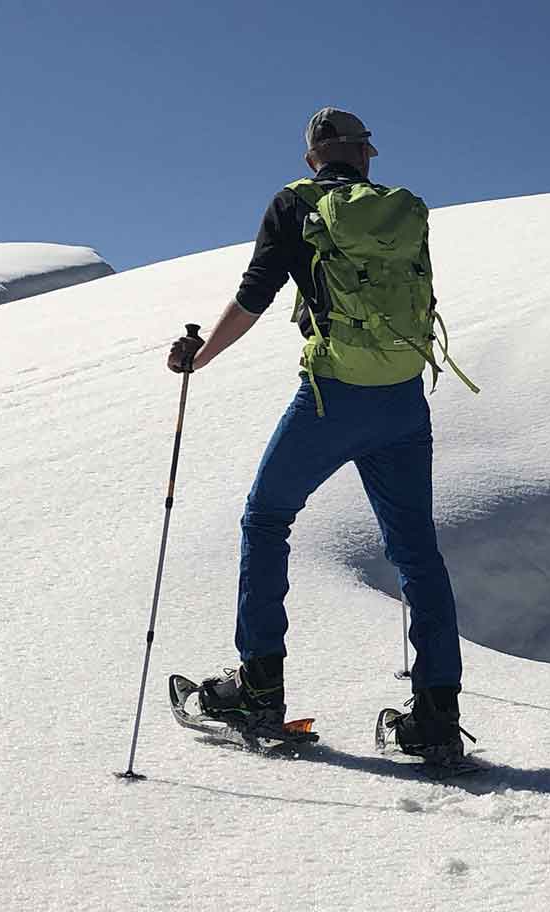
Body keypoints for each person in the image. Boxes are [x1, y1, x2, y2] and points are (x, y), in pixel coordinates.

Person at [164, 106, 469, 764]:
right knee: (416, 552)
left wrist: (200, 356)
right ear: (365, 154)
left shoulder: (294, 204)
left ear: (312, 158)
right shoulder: (400, 211)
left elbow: (255, 295)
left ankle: (259, 687)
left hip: (332, 397)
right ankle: (437, 717)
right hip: (403, 399)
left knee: (267, 516)